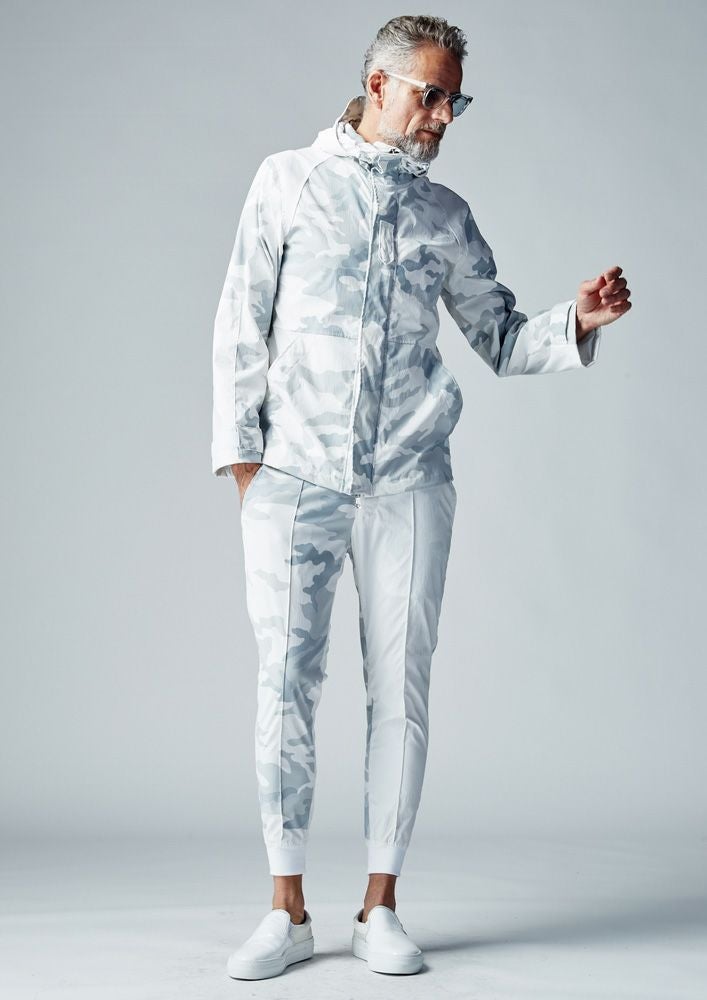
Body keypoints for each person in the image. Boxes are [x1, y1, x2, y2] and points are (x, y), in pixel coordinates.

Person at [211, 13, 632, 981]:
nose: (443, 115)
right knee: (284, 684)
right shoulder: (287, 180)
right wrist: (246, 466)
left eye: (454, 101)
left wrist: (575, 320)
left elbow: (499, 339)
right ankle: (285, 908)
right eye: (429, 95)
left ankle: (380, 905)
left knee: (400, 687)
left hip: (408, 479)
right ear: (377, 83)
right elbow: (240, 321)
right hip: (293, 478)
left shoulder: (444, 214)